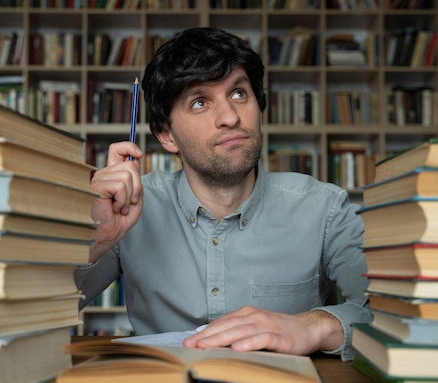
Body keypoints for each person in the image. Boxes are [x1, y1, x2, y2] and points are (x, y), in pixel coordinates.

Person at [74, 27, 371, 361]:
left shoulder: (325, 209)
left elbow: (393, 316)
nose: (230, 117)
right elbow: (29, 312)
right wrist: (94, 238)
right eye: (200, 102)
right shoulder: (128, 209)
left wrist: (316, 326)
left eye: (239, 94)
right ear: (167, 135)